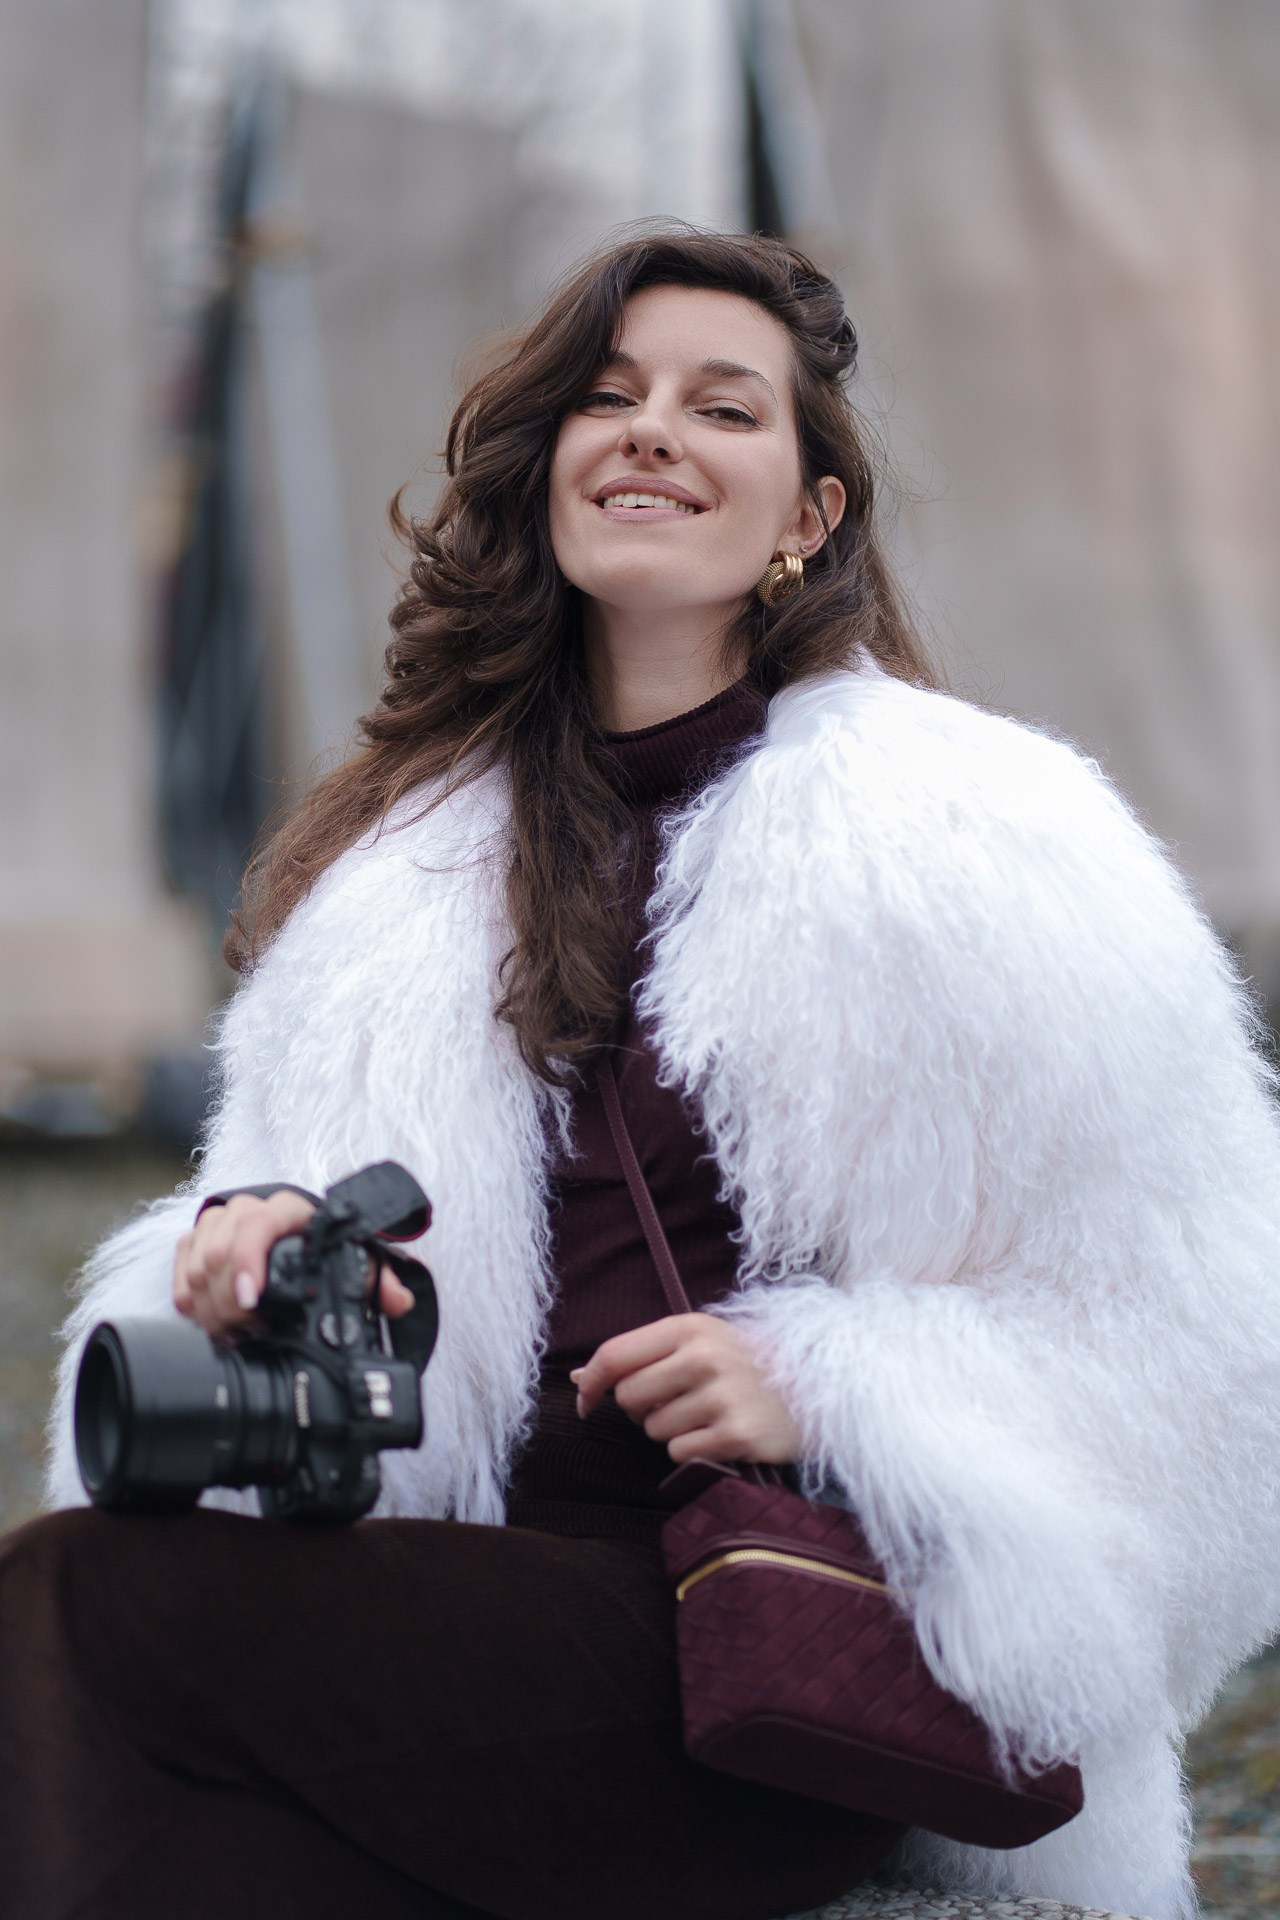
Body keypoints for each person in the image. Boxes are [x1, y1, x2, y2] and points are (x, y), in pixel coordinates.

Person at [4, 229, 1279, 1920]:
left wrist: (835, 1388)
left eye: (721, 407)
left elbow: (1211, 1331)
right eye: (608, 398)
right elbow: (270, 1177)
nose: (652, 431)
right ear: (550, 474)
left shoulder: (987, 844)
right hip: (464, 1585)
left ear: (809, 515)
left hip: (784, 1637)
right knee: (179, 1819)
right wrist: (244, 1240)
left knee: (81, 1607)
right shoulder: (401, 875)